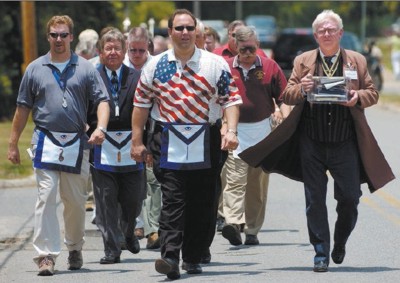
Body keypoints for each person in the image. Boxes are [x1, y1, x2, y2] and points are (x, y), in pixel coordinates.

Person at [239, 10, 395, 273]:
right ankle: (321, 252)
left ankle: (341, 240)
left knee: (349, 198)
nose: (326, 33)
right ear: (315, 35)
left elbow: (373, 92)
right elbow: (287, 94)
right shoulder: (303, 60)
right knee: (314, 200)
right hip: (311, 140)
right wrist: (303, 88)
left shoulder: (356, 60)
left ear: (340, 33)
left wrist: (357, 96)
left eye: (331, 29)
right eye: (322, 30)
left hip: (345, 141)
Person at [130, 9, 242, 280]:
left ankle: (193, 256)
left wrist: (231, 131)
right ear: (170, 32)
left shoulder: (215, 65)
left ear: (197, 32)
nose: (184, 33)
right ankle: (170, 256)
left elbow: (231, 100)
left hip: (207, 138)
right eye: (178, 28)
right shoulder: (155, 65)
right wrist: (137, 142)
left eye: (189, 28)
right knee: (173, 198)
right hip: (167, 140)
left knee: (203, 201)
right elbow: (141, 106)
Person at [7, 15, 110, 276]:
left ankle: (75, 246)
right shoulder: (35, 68)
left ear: (72, 37)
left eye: (64, 34)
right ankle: (46, 255)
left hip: (77, 141)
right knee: (46, 195)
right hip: (45, 140)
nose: (59, 39)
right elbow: (22, 108)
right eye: (54, 35)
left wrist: (100, 127)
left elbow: (102, 101)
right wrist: (13, 143)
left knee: (75, 201)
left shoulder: (86, 68)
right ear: (48, 37)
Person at [221, 26, 289, 246]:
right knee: (234, 180)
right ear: (236, 48)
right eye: (243, 50)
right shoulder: (226, 68)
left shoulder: (270, 67)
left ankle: (252, 230)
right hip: (235, 132)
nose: (247, 53)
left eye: (251, 48)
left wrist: (286, 121)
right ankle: (232, 222)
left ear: (257, 46)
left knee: (256, 186)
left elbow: (283, 97)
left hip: (262, 133)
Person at [87, 28, 145, 264]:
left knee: (133, 199)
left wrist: (145, 143)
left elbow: (146, 112)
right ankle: (112, 249)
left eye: (117, 48)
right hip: (102, 144)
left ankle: (128, 232)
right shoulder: (91, 77)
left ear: (125, 51)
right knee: (105, 200)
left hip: (132, 144)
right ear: (100, 52)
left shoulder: (137, 76)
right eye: (108, 48)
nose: (113, 52)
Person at [75, 28, 99, 215]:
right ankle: (87, 196)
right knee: (85, 156)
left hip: (96, 113)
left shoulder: (99, 57)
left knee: (93, 155)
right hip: (83, 113)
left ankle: (92, 195)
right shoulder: (77, 57)